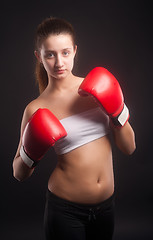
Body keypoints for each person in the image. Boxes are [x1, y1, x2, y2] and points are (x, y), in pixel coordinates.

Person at [13, 17, 136, 240]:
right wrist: (30, 152)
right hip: (65, 211)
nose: (59, 62)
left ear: (75, 51)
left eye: (65, 52)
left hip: (107, 208)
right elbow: (19, 173)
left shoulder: (100, 86)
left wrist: (117, 112)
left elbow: (129, 147)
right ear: (38, 57)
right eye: (50, 54)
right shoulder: (35, 108)